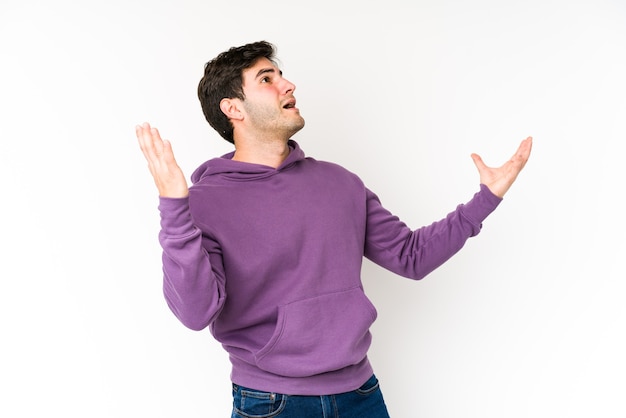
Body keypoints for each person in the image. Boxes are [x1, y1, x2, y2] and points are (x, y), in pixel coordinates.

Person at [135, 40, 532, 418]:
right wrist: (174, 205)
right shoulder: (205, 202)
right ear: (233, 109)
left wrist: (486, 198)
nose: (288, 84)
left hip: (362, 395)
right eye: (267, 79)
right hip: (270, 401)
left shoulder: (340, 183)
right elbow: (194, 311)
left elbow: (411, 257)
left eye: (281, 75)